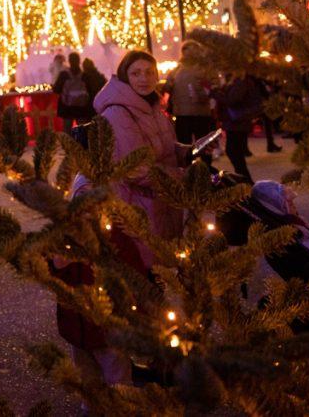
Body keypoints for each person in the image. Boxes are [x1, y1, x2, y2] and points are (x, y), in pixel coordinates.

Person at [70, 50, 189, 385]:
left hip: (160, 206)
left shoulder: (153, 105)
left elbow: (160, 149)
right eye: (136, 73)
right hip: (137, 209)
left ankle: (157, 356)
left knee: (152, 285)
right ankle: (158, 360)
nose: (144, 78)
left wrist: (185, 151)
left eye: (148, 71)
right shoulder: (118, 113)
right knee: (145, 290)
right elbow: (136, 169)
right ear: (124, 76)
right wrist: (181, 176)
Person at [163, 45, 215, 148]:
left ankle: (192, 163)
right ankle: (201, 163)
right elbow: (212, 87)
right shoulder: (203, 68)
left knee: (187, 144)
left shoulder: (177, 71)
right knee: (201, 144)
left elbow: (167, 88)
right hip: (194, 113)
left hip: (188, 113)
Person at [213, 74, 259, 183]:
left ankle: (246, 182)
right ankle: (245, 181)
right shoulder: (236, 80)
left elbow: (232, 100)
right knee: (235, 152)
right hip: (235, 121)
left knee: (234, 152)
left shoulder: (241, 81)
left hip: (238, 121)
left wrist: (214, 92)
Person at [53, 52, 94, 131]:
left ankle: (68, 143)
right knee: (83, 129)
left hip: (67, 109)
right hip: (82, 109)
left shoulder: (64, 75)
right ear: (79, 61)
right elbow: (90, 91)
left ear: (69, 61)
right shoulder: (85, 76)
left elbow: (56, 89)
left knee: (67, 130)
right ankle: (82, 143)